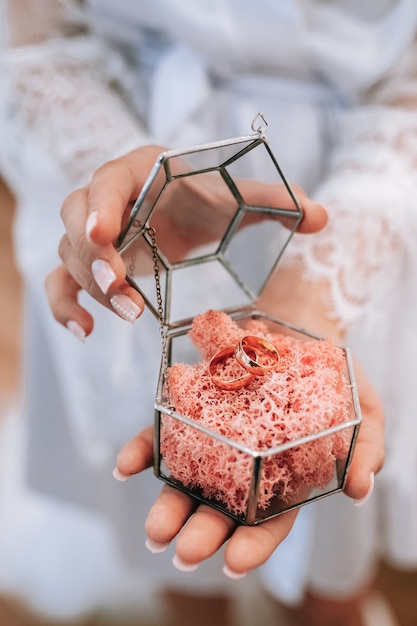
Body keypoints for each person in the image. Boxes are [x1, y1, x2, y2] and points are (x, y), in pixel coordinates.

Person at [0, 1, 416, 625]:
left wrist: (316, 291)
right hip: (135, 171)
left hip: (351, 181)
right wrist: (120, 185)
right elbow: (38, 41)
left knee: (329, 568)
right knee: (170, 545)